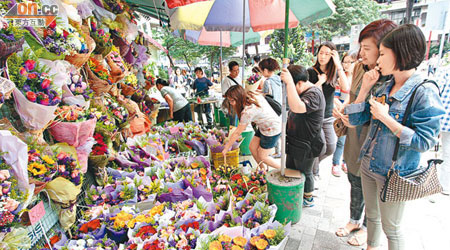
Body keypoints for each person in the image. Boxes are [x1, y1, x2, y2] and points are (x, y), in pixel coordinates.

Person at [345, 24, 444, 250]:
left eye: (382, 53)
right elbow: (355, 121)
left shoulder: (424, 90)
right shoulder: (384, 85)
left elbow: (425, 142)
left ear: (400, 53)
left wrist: (388, 119)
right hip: (369, 163)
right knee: (372, 218)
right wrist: (364, 88)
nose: (377, 59)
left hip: (394, 172)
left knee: (392, 229)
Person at [333, 19, 397, 247]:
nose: (361, 53)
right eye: (361, 47)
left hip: (375, 141)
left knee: (372, 187)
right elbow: (353, 99)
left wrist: (354, 107)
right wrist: (344, 108)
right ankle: (353, 220)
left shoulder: (391, 76)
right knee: (354, 180)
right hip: (354, 135)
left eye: (367, 48)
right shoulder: (360, 68)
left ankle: (369, 229)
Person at [280, 65, 325, 207]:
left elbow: (297, 107)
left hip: (308, 143)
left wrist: (288, 82)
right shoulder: (302, 90)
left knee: (305, 172)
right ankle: (296, 194)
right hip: (296, 141)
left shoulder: (314, 94)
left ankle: (308, 197)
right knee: (292, 168)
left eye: (291, 86)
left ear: (299, 83)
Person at [308, 42, 350, 178]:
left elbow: (346, 88)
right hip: (314, 116)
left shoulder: (334, 73)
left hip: (328, 116)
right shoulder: (311, 72)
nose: (323, 56)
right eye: (321, 53)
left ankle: (310, 166)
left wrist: (338, 65)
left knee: (331, 147)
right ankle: (313, 173)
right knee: (320, 147)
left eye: (327, 54)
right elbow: (308, 93)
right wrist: (320, 82)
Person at [222, 85, 281, 169]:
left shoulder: (247, 112)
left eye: (232, 101)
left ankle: (284, 170)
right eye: (229, 100)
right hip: (264, 125)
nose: (231, 103)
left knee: (263, 156)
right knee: (252, 147)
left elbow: (237, 132)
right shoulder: (251, 94)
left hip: (272, 129)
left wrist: (226, 147)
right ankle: (262, 169)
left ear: (238, 98)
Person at [331, 51, 357, 177]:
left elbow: (350, 92)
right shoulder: (339, 77)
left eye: (349, 62)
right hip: (341, 111)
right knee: (341, 139)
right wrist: (340, 106)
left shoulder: (359, 77)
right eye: (344, 62)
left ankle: (345, 162)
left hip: (352, 111)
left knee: (351, 140)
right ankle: (336, 163)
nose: (346, 65)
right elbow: (336, 94)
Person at [434, 61, 450, 195]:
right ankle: (444, 184)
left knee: (447, 153)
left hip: (444, 120)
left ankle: (444, 184)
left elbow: (435, 92)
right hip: (445, 120)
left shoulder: (445, 71)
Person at [222, 61, 241, 126]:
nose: (237, 72)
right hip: (232, 106)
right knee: (233, 124)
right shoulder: (226, 80)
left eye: (238, 70)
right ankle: (232, 135)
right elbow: (224, 95)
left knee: (239, 123)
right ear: (230, 71)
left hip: (239, 104)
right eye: (234, 71)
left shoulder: (238, 78)